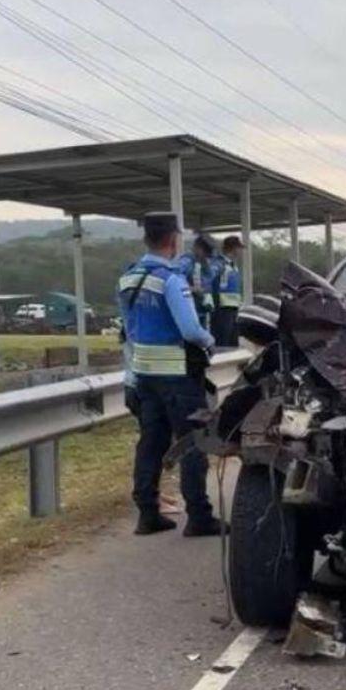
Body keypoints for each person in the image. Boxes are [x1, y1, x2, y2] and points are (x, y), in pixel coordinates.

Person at [117, 212, 222, 537]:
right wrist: (210, 341)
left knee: (151, 443)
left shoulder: (128, 279)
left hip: (144, 376)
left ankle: (148, 514)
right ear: (174, 240)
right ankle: (199, 517)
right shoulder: (171, 280)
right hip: (178, 376)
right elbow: (191, 329)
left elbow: (128, 332)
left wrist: (131, 378)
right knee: (192, 443)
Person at [211, 235, 244, 346]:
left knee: (233, 341)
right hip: (222, 309)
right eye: (239, 248)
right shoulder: (218, 264)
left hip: (233, 308)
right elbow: (208, 280)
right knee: (222, 341)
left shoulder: (233, 265)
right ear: (233, 248)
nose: (240, 251)